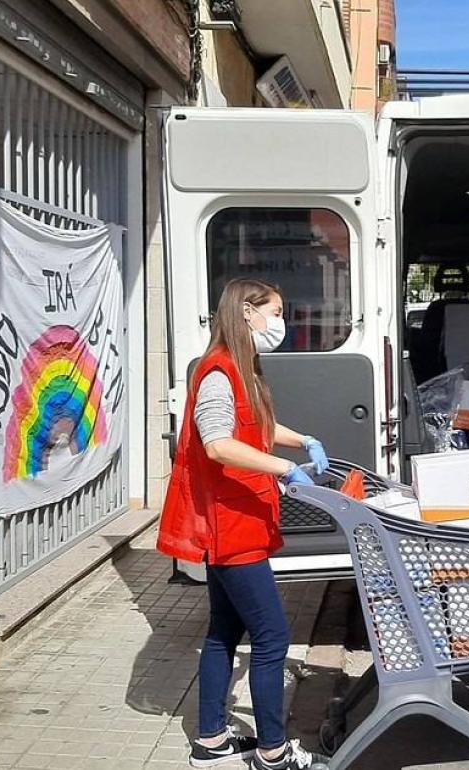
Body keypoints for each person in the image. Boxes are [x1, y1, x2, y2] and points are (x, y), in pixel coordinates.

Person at [157, 278, 331, 770]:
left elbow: (253, 426)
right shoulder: (218, 372)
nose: (281, 322)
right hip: (231, 528)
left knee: (223, 633)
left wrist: (302, 441)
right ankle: (274, 752)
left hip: (239, 521)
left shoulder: (240, 368)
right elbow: (218, 443)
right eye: (275, 312)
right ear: (248, 312)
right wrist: (283, 467)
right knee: (273, 635)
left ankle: (211, 740)